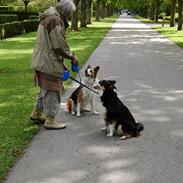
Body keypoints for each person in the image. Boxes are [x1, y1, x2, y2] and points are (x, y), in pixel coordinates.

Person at [30, 0, 77, 130]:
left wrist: (62, 62)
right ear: (66, 12)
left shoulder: (48, 17)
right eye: (70, 13)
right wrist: (72, 56)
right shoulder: (55, 21)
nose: (70, 16)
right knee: (52, 90)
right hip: (48, 62)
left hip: (41, 60)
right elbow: (59, 46)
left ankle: (36, 113)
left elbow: (53, 44)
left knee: (45, 89)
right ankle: (50, 120)